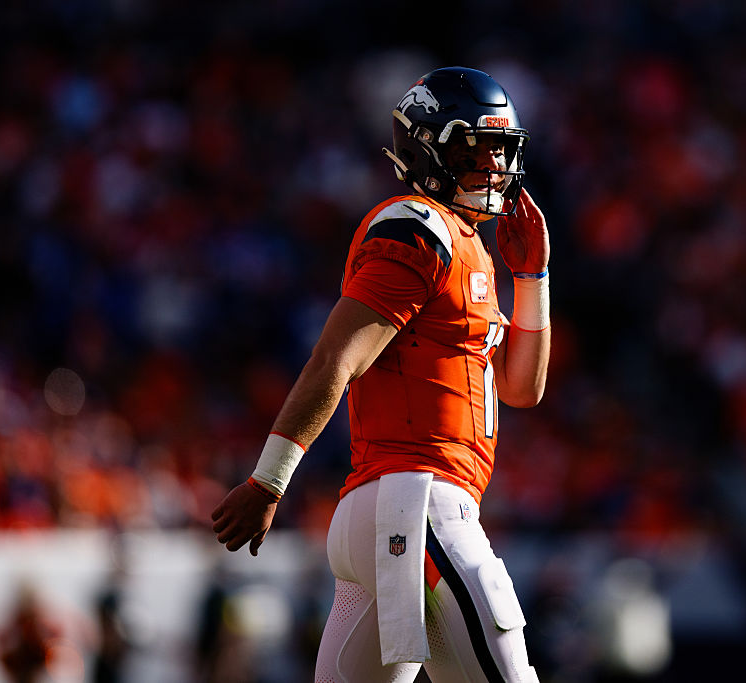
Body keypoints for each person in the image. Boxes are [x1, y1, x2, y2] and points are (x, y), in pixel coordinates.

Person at [212, 66, 550, 682]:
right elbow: (336, 358)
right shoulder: (419, 226)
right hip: (419, 502)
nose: (495, 168)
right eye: (477, 151)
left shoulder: (469, 245)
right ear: (429, 152)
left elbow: (522, 389)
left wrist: (533, 278)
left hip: (395, 510)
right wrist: (269, 481)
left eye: (501, 151)